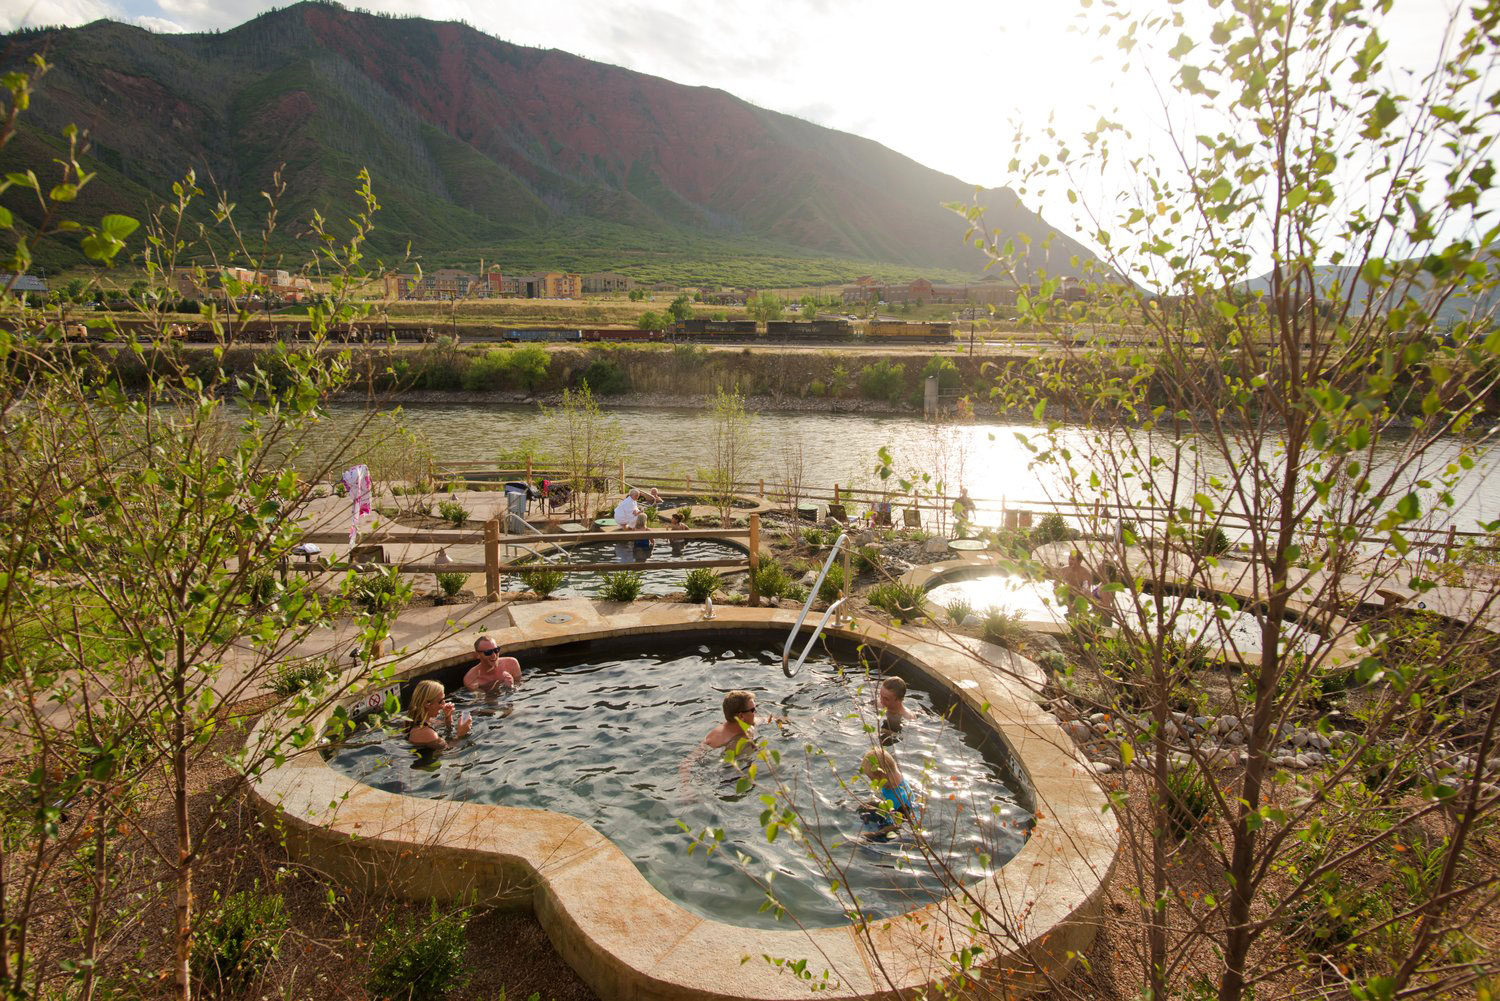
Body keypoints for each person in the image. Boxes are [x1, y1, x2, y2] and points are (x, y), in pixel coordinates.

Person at [859, 747, 915, 834]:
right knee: (862, 808)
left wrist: (875, 834)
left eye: (874, 779)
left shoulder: (902, 799)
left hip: (900, 817)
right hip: (890, 806)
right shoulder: (894, 780)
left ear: (883, 776)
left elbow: (898, 825)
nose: (873, 782)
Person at [406, 679, 470, 749]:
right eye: (440, 701)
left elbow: (446, 730)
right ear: (427, 704)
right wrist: (461, 734)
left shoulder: (415, 720)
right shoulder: (425, 732)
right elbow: (447, 751)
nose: (444, 704)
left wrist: (448, 717)